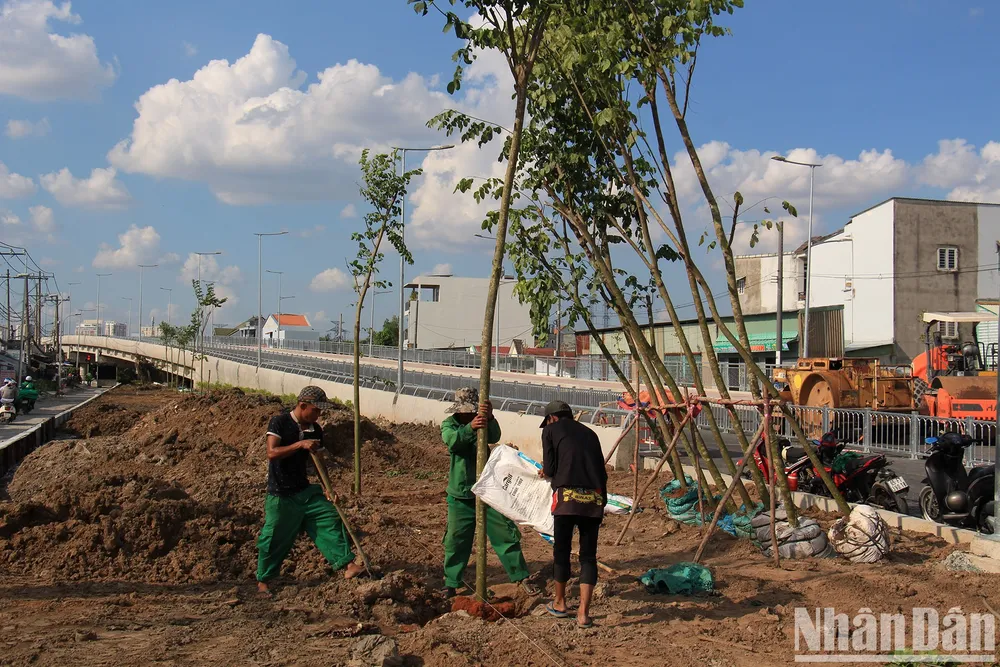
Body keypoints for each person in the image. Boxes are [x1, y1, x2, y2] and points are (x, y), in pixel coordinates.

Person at [256, 385, 364, 596]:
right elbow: (272, 452)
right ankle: (264, 581)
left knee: (330, 518)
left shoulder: (316, 429)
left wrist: (328, 489)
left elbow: (318, 461)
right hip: (281, 494)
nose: (318, 415)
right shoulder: (280, 422)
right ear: (302, 405)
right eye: (315, 410)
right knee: (274, 537)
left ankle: (347, 565)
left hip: (306, 491)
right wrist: (299, 444)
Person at [440, 386, 538, 598]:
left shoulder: (483, 422)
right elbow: (452, 442)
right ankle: (451, 582)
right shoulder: (450, 424)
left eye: (472, 412)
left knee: (504, 533)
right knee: (456, 540)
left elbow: (495, 435)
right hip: (461, 493)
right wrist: (469, 429)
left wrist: (490, 417)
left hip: (488, 489)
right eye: (466, 412)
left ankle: (520, 575)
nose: (469, 415)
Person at [539, 399, 607, 629]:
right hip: (594, 499)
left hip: (567, 498)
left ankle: (560, 603)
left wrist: (544, 472)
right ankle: (583, 614)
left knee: (562, 549)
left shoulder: (550, 430)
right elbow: (601, 469)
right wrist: (602, 503)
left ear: (552, 418)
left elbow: (549, 468)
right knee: (588, 555)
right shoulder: (591, 433)